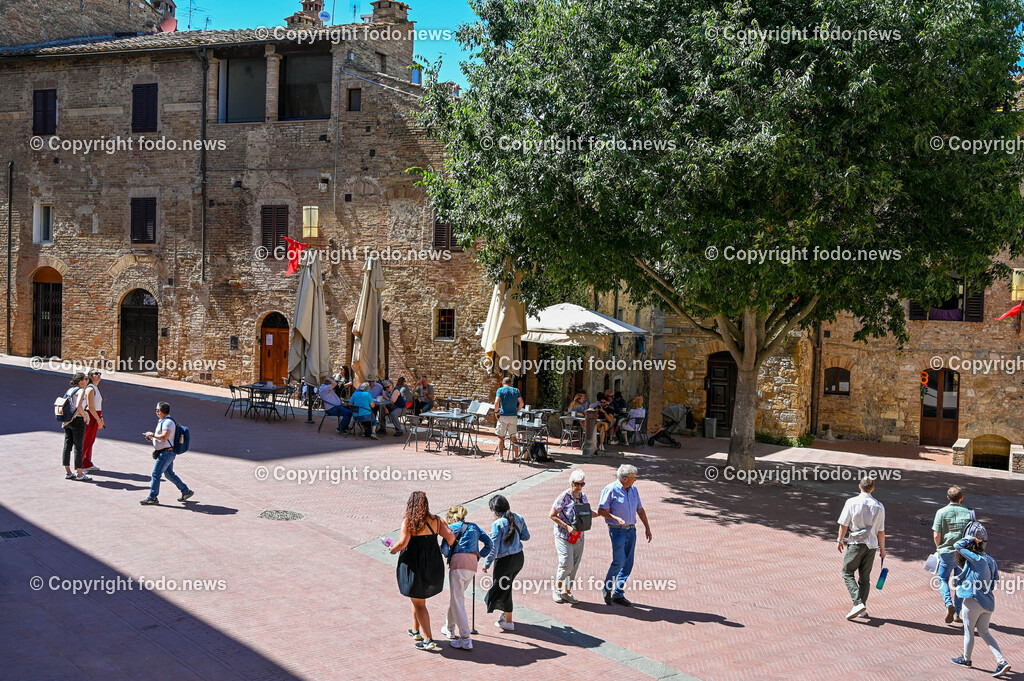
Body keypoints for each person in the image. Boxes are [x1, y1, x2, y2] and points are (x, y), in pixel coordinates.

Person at [390, 491, 455, 652]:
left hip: (414, 565)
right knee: (418, 599)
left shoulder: (409, 522)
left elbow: (403, 543)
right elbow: (451, 538)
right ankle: (415, 631)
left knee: (419, 603)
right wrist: (440, 549)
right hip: (432, 565)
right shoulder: (437, 521)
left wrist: (392, 549)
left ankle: (428, 640)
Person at [950, 528, 1011, 676]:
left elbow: (958, 545)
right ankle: (1002, 661)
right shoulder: (991, 560)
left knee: (969, 631)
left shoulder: (976, 559)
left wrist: (971, 538)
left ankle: (966, 660)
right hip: (989, 603)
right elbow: (994, 581)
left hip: (973, 601)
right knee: (984, 632)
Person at [439, 505, 493, 650]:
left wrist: (447, 554)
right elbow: (489, 543)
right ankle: (449, 628)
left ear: (450, 517)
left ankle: (465, 638)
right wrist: (479, 555)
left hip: (458, 565)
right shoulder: (474, 527)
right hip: (472, 565)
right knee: (456, 598)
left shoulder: (451, 528)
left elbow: (444, 549)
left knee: (458, 601)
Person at [597, 464, 652, 606]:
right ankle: (607, 588)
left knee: (628, 563)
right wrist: (615, 518)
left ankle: (618, 593)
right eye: (634, 478)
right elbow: (601, 510)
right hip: (617, 531)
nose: (636, 480)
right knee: (619, 561)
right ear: (625, 479)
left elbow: (640, 510)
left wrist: (647, 527)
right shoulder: (610, 489)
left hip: (631, 530)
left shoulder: (634, 489)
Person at [836, 477, 886, 620]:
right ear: (873, 488)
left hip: (856, 543)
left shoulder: (851, 502)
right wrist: (882, 549)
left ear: (859, 486)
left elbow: (844, 524)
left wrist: (840, 539)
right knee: (865, 578)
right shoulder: (879, 506)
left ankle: (858, 603)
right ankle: (862, 608)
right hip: (871, 545)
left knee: (847, 572)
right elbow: (881, 531)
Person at [483, 494, 530, 631]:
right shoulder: (519, 518)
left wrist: (487, 563)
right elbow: (526, 536)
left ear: (495, 511)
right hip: (518, 558)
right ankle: (506, 616)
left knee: (503, 588)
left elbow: (494, 548)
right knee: (505, 587)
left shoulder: (498, 524)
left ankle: (508, 621)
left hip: (504, 561)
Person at [933, 485, 974, 623]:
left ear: (948, 498)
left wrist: (939, 548)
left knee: (943, 579)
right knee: (960, 582)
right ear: (961, 498)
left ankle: (948, 603)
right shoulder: (969, 513)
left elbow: (936, 534)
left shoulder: (941, 512)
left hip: (946, 551)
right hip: (963, 553)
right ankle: (957, 612)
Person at [141, 402, 194, 506]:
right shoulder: (164, 421)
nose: (156, 411)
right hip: (166, 452)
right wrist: (152, 437)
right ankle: (186, 491)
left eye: (156, 409)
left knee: (156, 474)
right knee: (169, 474)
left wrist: (152, 435)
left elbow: (165, 437)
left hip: (166, 453)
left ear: (159, 411)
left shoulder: (167, 423)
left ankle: (153, 497)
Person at [550, 468, 589, 603]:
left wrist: (604, 513)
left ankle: (567, 591)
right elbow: (552, 515)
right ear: (571, 482)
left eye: (582, 484)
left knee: (575, 565)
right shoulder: (564, 497)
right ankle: (557, 589)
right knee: (567, 563)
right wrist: (566, 526)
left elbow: (587, 512)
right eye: (577, 484)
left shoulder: (583, 497)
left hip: (579, 535)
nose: (579, 487)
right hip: (563, 535)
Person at [61, 373, 92, 481]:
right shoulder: (81, 390)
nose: (87, 380)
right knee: (78, 447)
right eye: (85, 379)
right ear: (80, 381)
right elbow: (79, 406)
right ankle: (79, 473)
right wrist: (84, 416)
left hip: (67, 420)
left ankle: (68, 472)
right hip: (77, 420)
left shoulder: (70, 390)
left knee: (67, 445)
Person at [494, 377, 524, 461]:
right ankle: (516, 456)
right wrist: (517, 410)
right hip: (513, 416)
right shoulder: (516, 390)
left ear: (503, 383)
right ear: (510, 383)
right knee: (513, 437)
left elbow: (496, 402)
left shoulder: (500, 390)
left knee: (500, 436)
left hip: (503, 416)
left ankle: (501, 456)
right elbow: (521, 403)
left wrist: (496, 412)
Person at [81, 370, 104, 473]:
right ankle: (80, 465)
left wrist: (101, 417)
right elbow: (90, 407)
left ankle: (87, 463)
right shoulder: (90, 389)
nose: (99, 375)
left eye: (99, 373)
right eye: (96, 374)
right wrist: (98, 419)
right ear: (90, 377)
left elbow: (98, 406)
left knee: (91, 440)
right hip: (91, 416)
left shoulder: (96, 388)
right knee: (86, 440)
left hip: (96, 415)